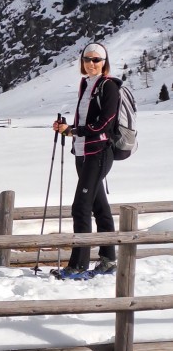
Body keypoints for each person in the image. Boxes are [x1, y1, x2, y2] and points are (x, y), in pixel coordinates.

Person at [51, 42, 120, 280]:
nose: (91, 64)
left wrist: (75, 130)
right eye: (87, 59)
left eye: (96, 60)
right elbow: (85, 122)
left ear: (104, 63)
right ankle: (108, 260)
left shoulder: (109, 86)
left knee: (80, 206)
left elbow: (104, 122)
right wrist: (67, 130)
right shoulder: (85, 84)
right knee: (99, 207)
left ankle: (78, 265)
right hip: (82, 153)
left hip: (99, 152)